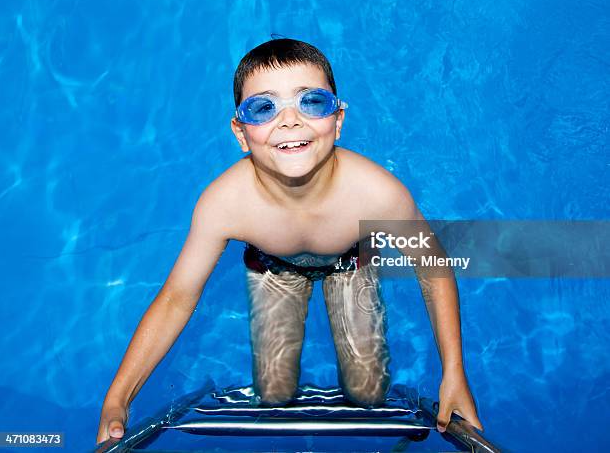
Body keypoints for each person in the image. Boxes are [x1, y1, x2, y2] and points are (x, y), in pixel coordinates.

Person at [96, 38, 482, 444]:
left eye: (311, 102)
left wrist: (453, 371)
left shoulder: (379, 194)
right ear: (241, 133)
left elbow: (432, 267)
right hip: (274, 264)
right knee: (275, 394)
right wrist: (118, 397)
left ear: (338, 120)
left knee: (367, 392)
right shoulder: (224, 204)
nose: (290, 120)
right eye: (263, 108)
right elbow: (178, 296)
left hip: (350, 260)